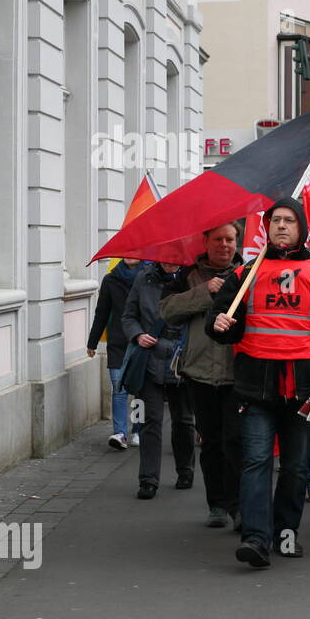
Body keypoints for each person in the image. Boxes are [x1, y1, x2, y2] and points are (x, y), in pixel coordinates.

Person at [207, 197, 310, 569]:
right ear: (266, 227)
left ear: (301, 228)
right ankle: (256, 538)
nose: (281, 226)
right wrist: (218, 324)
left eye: (289, 220)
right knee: (255, 461)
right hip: (255, 387)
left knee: (296, 467)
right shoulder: (244, 275)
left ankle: (286, 531)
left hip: (302, 390)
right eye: (275, 221)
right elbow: (223, 321)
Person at [158, 224, 244, 528]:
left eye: (230, 239)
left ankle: (238, 506)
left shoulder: (248, 272)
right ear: (205, 241)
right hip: (199, 372)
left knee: (237, 441)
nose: (224, 245)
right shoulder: (187, 276)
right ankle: (217, 504)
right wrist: (203, 292)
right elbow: (166, 311)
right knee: (212, 441)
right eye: (218, 239)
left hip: (238, 373)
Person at [122, 260, 196, 499]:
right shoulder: (144, 278)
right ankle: (148, 479)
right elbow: (128, 316)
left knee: (184, 420)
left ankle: (185, 470)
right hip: (149, 359)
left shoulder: (191, 279)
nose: (170, 259)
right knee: (148, 420)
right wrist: (138, 335)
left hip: (182, 357)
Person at [87, 257, 142, 450]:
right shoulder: (110, 280)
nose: (130, 253)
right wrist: (92, 341)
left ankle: (137, 430)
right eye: (126, 249)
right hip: (118, 342)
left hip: (142, 341)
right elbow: (102, 312)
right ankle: (120, 433)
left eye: (134, 248)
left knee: (140, 392)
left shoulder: (149, 277)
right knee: (118, 389)